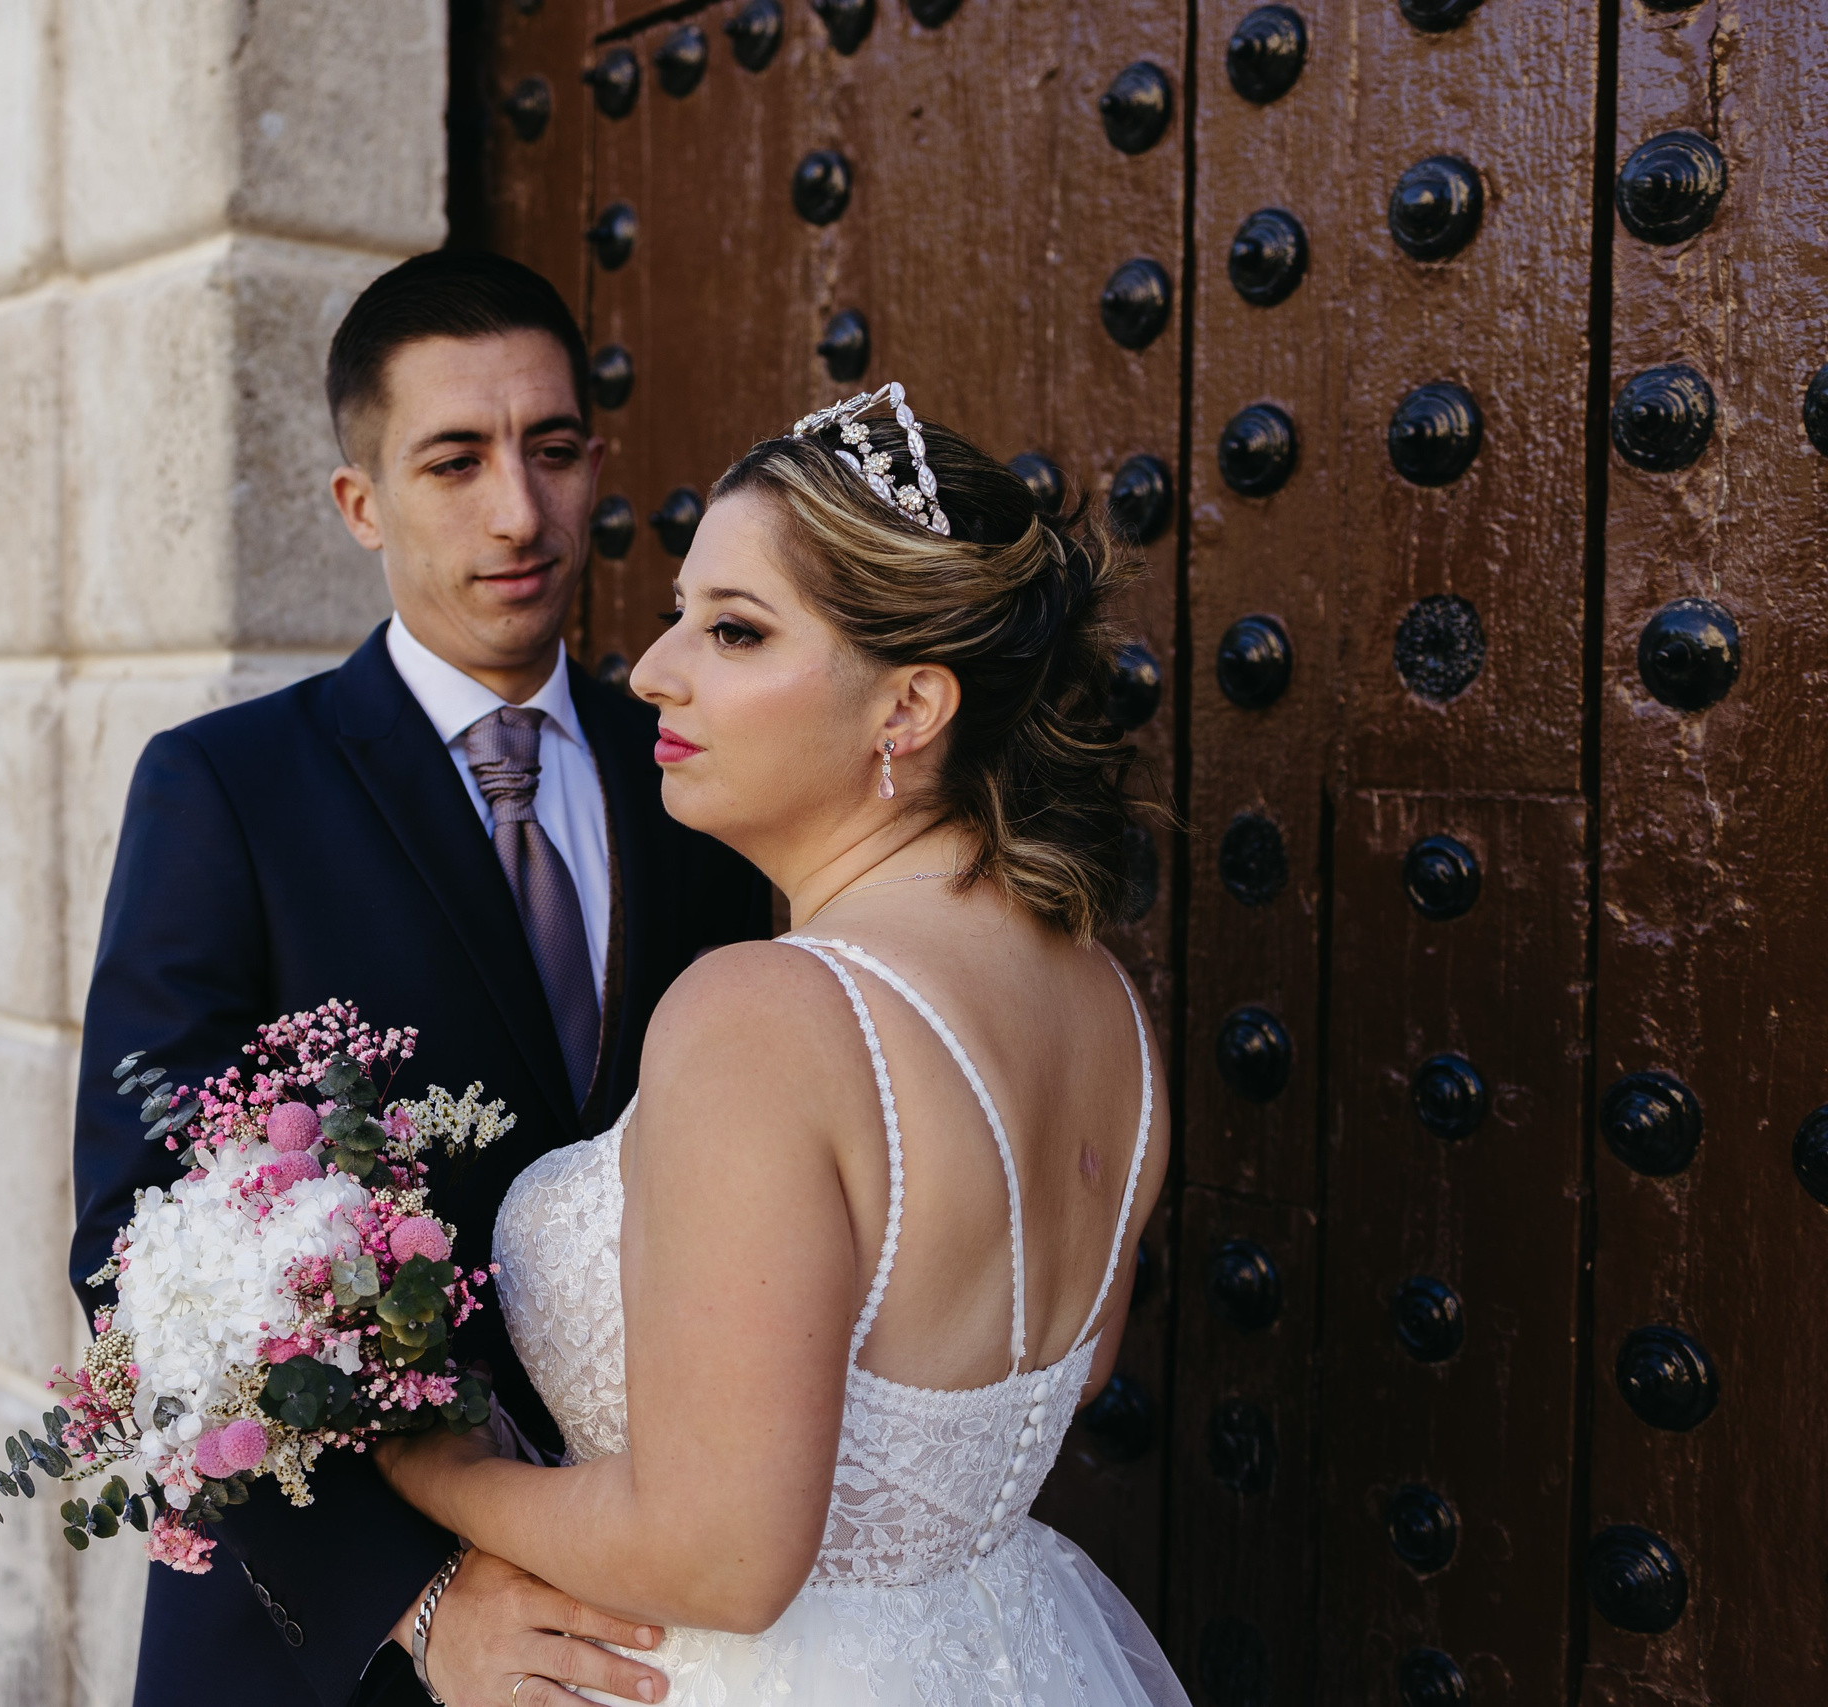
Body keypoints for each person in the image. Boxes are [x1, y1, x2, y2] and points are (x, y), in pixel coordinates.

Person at [374, 385, 1192, 1706]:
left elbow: (722, 1559)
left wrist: (427, 1464)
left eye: (737, 631)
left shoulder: (763, 1013)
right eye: (676, 618)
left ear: (909, 707)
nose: (653, 672)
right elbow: (1057, 1374)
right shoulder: (1104, 1006)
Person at [69, 250, 773, 1707]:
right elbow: (141, 1249)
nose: (521, 512)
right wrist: (416, 1599)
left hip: (664, 1621)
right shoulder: (226, 791)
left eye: (556, 450)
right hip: (346, 1654)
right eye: (454, 461)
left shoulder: (700, 779)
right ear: (361, 505)